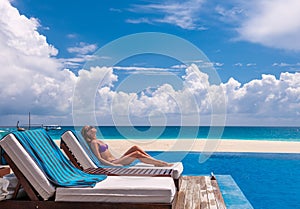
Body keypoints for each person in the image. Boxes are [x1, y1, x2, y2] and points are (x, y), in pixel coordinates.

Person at [81, 125, 173, 167]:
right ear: (87, 133)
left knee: (135, 148)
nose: (92, 128)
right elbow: (99, 158)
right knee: (136, 153)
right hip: (114, 162)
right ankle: (162, 163)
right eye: (89, 128)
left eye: (91, 127)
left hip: (116, 159)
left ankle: (156, 162)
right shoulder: (93, 143)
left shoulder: (98, 140)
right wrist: (113, 165)